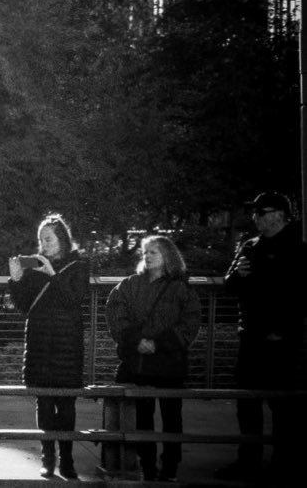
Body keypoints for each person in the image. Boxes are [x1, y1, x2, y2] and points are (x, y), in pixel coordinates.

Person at [217, 192, 306, 482]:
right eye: (254, 212)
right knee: (247, 400)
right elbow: (229, 285)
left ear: (278, 214)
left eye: (260, 212)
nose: (255, 217)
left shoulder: (298, 247)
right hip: (251, 334)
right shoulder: (250, 246)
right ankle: (249, 460)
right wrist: (239, 275)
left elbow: (295, 295)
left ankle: (283, 462)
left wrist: (283, 327)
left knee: (281, 403)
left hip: (282, 337)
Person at [105, 235, 200, 482]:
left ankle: (169, 467)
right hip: (142, 364)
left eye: (154, 252)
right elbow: (115, 313)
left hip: (167, 364)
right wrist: (138, 340)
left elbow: (189, 324)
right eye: (145, 252)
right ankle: (148, 466)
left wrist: (155, 344)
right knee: (144, 419)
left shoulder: (181, 288)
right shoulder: (130, 284)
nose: (147, 256)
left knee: (171, 418)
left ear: (168, 256)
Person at [8, 213, 90, 480]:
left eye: (49, 238)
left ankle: (67, 461)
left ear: (62, 239)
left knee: (66, 407)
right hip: (40, 345)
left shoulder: (78, 267)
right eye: (41, 239)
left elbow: (73, 300)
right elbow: (24, 307)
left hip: (67, 346)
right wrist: (16, 280)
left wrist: (52, 275)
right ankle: (48, 460)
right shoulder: (35, 267)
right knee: (43, 405)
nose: (44, 243)